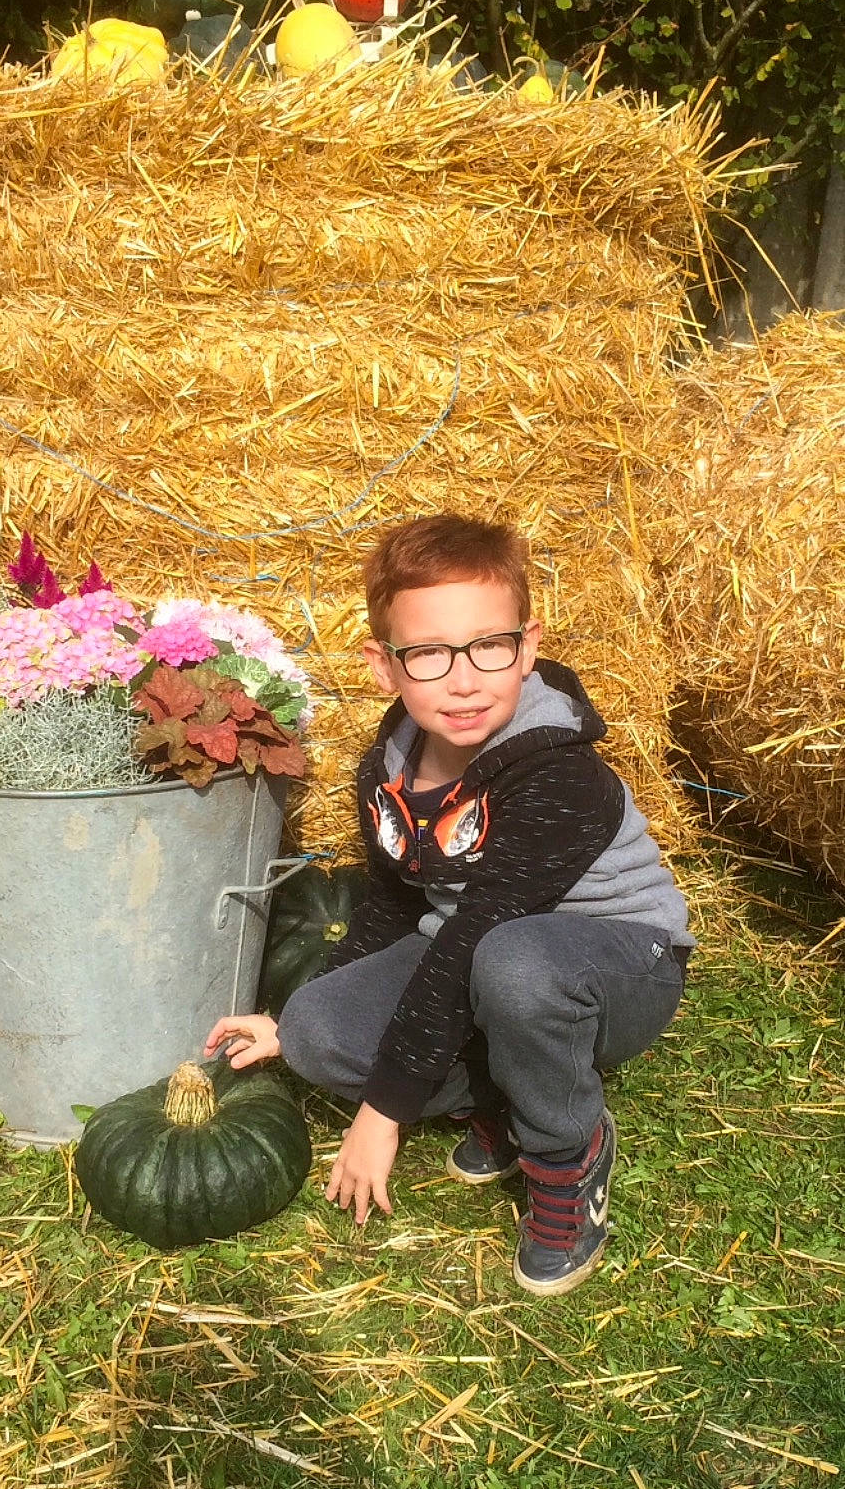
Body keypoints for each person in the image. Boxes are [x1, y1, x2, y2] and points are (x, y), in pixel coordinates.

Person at [204, 514, 691, 1297]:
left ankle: (566, 1148)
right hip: (482, 952)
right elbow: (396, 905)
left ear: (527, 647)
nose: (463, 680)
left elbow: (483, 931)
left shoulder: (557, 773)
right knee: (320, 1033)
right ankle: (505, 1083)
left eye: (488, 647)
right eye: (429, 654)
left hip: (618, 965)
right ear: (383, 665)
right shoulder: (389, 765)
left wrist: (385, 1111)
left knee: (516, 963)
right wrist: (290, 1017)